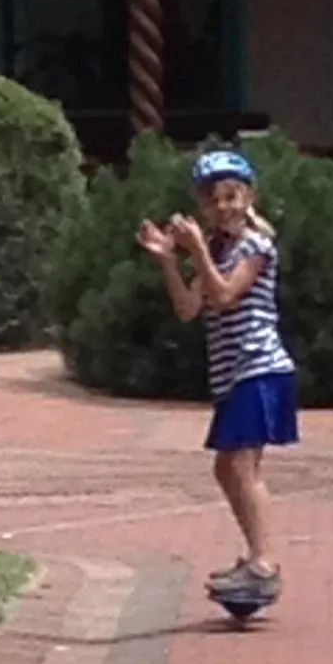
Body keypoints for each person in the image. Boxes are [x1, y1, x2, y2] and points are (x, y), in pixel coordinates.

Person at [137, 149, 297, 599]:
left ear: (248, 197)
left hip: (259, 367)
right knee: (226, 469)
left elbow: (225, 295)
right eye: (214, 199)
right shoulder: (219, 249)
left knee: (242, 466)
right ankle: (253, 556)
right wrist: (169, 260)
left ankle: (264, 561)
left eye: (232, 195)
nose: (223, 206)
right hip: (231, 375)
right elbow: (190, 308)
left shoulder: (254, 246)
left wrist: (199, 251)